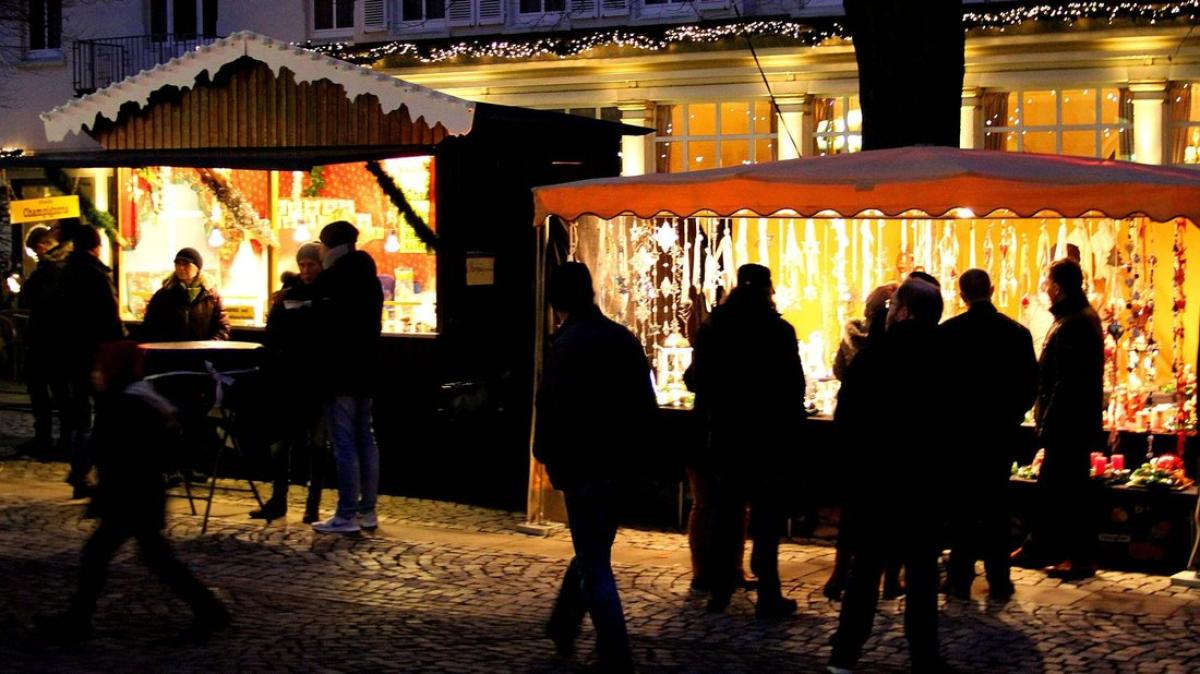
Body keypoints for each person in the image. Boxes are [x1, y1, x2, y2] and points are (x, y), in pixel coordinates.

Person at [34, 341, 230, 644]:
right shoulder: (139, 395)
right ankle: (208, 609)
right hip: (139, 492)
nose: (95, 373)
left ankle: (79, 620)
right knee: (151, 556)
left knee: (104, 555)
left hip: (130, 494)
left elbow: (115, 447)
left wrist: (90, 473)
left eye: (100, 367)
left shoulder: (124, 401)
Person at [535, 261, 656, 673]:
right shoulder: (620, 338)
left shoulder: (568, 345)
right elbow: (645, 406)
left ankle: (615, 651)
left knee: (593, 559)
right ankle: (564, 624)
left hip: (585, 465)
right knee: (593, 548)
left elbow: (553, 408)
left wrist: (547, 454)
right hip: (617, 464)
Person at [828, 277, 950, 674]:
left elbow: (846, 424)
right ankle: (924, 656)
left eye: (895, 305)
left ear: (903, 312)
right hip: (923, 486)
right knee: (922, 576)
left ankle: (844, 656)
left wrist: (851, 474)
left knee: (865, 573)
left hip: (875, 484)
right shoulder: (945, 358)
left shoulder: (874, 357)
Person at [687, 263, 805, 619]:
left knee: (726, 512)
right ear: (768, 290)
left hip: (726, 435)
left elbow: (695, 379)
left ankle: (720, 590)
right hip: (767, 438)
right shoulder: (779, 331)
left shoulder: (716, 328)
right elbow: (792, 387)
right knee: (766, 519)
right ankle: (769, 593)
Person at [939, 269, 1038, 600]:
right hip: (999, 433)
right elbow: (1029, 386)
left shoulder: (949, 333)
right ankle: (999, 579)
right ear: (992, 290)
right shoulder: (1016, 334)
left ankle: (960, 576)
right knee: (996, 507)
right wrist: (1010, 415)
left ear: (961, 294)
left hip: (960, 435)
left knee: (962, 509)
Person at [1012, 258, 1104, 580]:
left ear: (1059, 287)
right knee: (1060, 488)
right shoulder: (1077, 319)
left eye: (1048, 282)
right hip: (1071, 422)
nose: (1045, 289)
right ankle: (1045, 547)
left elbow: (1067, 381)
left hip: (1068, 423)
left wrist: (1048, 420)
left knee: (1068, 490)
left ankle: (1075, 556)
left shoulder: (1074, 323)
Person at [824, 282, 903, 602]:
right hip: (890, 436)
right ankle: (890, 580)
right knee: (894, 511)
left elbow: (838, 371)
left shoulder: (853, 341)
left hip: (856, 435)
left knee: (854, 511)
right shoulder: (898, 348)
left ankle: (840, 574)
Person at [310, 222, 384, 534]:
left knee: (344, 442)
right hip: (367, 369)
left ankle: (346, 513)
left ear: (331, 248)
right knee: (366, 438)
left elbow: (323, 325)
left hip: (339, 371)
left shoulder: (333, 279)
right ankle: (368, 510)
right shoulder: (370, 278)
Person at [48, 225, 126, 498]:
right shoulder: (96, 275)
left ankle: (80, 471)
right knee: (102, 418)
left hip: (70, 354)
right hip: (96, 356)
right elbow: (109, 319)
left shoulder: (65, 273)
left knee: (80, 416)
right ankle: (89, 472)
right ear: (96, 247)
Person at [251, 243, 327, 523]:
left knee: (315, 445)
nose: (306, 270)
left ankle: (312, 505)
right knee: (282, 444)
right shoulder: (288, 296)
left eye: (312, 265)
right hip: (288, 381)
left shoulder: (327, 296)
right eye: (303, 265)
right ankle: (279, 499)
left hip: (315, 381)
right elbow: (272, 337)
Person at [17, 225, 67, 456]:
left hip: (44, 341)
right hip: (59, 342)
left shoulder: (47, 269)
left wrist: (24, 285)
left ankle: (45, 439)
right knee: (60, 393)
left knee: (42, 392)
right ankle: (62, 440)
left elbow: (26, 300)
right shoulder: (66, 266)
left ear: (41, 247)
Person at [141, 247, 230, 342]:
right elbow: (150, 326)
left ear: (197, 267)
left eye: (186, 264)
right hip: (171, 353)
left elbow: (222, 328)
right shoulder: (163, 294)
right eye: (177, 264)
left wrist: (209, 346)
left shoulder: (211, 295)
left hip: (202, 352)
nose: (180, 268)